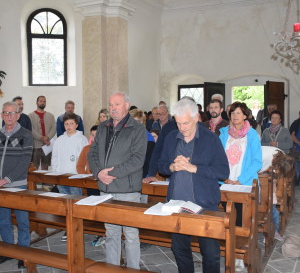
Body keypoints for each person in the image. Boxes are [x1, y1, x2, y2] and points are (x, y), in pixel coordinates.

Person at [158, 99, 229, 273]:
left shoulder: (211, 139)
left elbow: (223, 172)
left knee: (211, 253)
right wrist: (172, 167)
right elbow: (161, 166)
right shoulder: (171, 138)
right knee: (180, 250)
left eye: (186, 123)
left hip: (205, 204)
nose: (182, 128)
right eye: (178, 123)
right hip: (177, 204)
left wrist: (194, 168)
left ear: (197, 117)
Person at [88, 91, 147, 269]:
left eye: (117, 104)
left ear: (127, 105)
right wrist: (98, 172)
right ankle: (112, 269)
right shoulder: (103, 126)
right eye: (111, 105)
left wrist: (111, 173)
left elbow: (137, 160)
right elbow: (92, 153)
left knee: (130, 234)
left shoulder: (137, 129)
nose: (113, 108)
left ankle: (133, 269)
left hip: (127, 190)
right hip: (105, 188)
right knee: (111, 233)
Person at [219, 101, 262, 271]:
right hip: (226, 182)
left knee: (239, 221)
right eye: (232, 113)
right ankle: (231, 250)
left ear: (245, 115)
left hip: (243, 184)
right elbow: (217, 156)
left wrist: (240, 180)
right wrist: (224, 177)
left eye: (238, 113)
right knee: (229, 220)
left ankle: (238, 254)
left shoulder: (251, 135)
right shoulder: (223, 133)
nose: (235, 116)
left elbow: (257, 162)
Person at [0, 101, 33, 267]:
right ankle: (8, 251)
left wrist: (7, 179)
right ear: (1, 115)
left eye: (12, 113)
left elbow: (24, 161)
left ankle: (23, 253)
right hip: (0, 186)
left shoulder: (26, 134)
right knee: (3, 220)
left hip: (17, 184)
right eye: (5, 113)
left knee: (22, 221)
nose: (8, 116)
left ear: (18, 115)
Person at [52, 113, 88, 196]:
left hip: (75, 176)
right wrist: (55, 173)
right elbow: (54, 158)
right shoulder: (59, 140)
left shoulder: (82, 139)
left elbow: (84, 159)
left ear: (76, 125)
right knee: (63, 200)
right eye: (66, 124)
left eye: (71, 123)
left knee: (75, 199)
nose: (69, 126)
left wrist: (82, 175)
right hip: (61, 176)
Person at [29, 96, 56, 170]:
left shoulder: (50, 116)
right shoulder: (30, 116)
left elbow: (54, 129)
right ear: (37, 102)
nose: (42, 103)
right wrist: (41, 138)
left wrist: (47, 137)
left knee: (45, 166)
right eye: (41, 101)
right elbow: (31, 129)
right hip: (36, 145)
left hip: (47, 145)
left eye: (44, 101)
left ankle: (45, 181)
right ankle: (35, 182)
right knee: (34, 167)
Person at [289, 111, 300, 185]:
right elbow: (292, 135)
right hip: (297, 149)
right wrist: (299, 143)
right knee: (297, 170)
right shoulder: (296, 123)